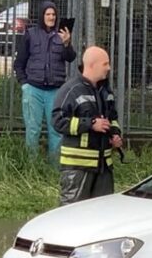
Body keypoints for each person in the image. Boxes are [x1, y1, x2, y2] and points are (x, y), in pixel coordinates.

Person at [51, 46, 122, 205]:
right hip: (78, 167)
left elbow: (113, 118)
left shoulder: (106, 91)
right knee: (72, 215)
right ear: (92, 65)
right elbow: (58, 121)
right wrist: (90, 124)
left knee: (102, 214)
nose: (109, 68)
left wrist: (115, 134)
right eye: (105, 64)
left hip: (104, 167)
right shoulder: (71, 90)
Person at [15, 1, 75, 161]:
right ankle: (31, 166)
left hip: (55, 91)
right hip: (33, 89)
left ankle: (54, 168)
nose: (51, 17)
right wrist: (24, 84)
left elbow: (70, 58)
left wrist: (67, 44)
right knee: (33, 129)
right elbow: (19, 61)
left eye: (54, 14)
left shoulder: (61, 35)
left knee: (55, 130)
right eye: (48, 14)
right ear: (42, 16)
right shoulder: (31, 34)